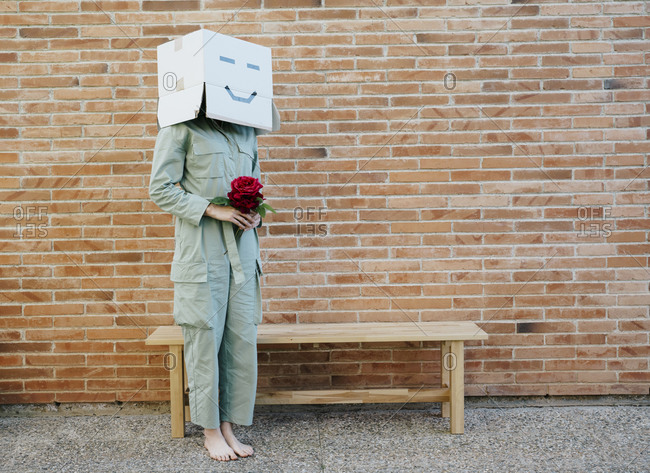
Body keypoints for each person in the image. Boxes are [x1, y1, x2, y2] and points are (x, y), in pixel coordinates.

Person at [149, 95, 281, 461]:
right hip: (202, 251)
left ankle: (228, 425)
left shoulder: (245, 130)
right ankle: (209, 430)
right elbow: (160, 188)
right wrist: (211, 209)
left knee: (240, 338)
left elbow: (253, 185)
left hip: (243, 250)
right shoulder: (181, 127)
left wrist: (255, 215)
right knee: (205, 340)